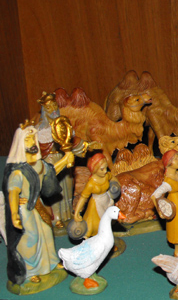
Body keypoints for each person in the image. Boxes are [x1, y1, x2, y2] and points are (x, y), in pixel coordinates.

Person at [2, 121, 74, 289]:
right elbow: (13, 192)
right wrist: (14, 214)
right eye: (28, 140)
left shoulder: (38, 164)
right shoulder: (17, 171)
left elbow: (50, 172)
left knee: (47, 233)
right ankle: (30, 271)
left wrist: (65, 160)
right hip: (23, 208)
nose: (32, 143)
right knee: (31, 238)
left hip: (37, 204)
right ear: (20, 144)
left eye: (33, 139)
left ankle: (50, 263)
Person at [35, 91, 95, 227]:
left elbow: (73, 141)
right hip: (50, 160)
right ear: (44, 109)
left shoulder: (63, 124)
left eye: (54, 106)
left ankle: (67, 213)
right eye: (49, 107)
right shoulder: (40, 129)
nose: (53, 109)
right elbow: (38, 148)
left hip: (64, 156)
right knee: (53, 188)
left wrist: (87, 145)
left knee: (67, 185)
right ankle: (56, 217)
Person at [151, 150, 178, 257]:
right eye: (175, 159)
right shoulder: (168, 182)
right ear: (168, 163)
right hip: (175, 206)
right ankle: (177, 252)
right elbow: (154, 196)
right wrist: (160, 211)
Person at [72, 153, 117, 238]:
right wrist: (76, 212)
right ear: (95, 169)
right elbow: (83, 198)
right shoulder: (91, 184)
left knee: (109, 220)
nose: (105, 171)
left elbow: (113, 178)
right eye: (102, 169)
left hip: (107, 200)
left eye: (106, 168)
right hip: (97, 204)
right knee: (101, 223)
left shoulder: (106, 176)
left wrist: (117, 185)